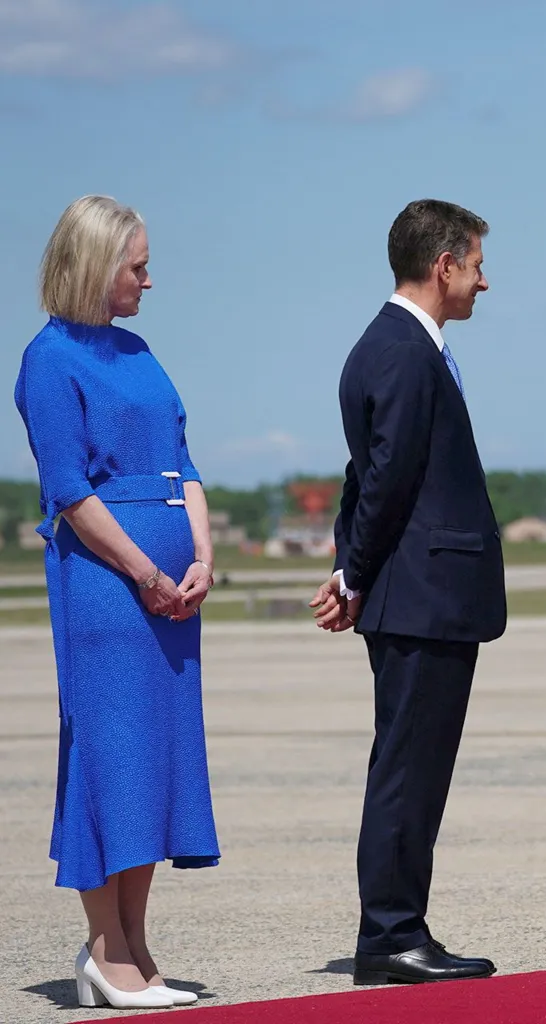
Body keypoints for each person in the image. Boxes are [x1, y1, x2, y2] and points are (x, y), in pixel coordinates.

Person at [15, 196, 218, 1010]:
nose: (148, 279)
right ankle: (106, 947)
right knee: (113, 754)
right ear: (96, 265)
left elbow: (183, 463)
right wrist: (144, 573)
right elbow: (69, 491)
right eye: (137, 266)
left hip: (171, 593)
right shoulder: (49, 359)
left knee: (156, 760)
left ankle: (133, 942)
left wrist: (202, 558)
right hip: (106, 586)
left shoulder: (139, 351)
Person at [309, 199, 504, 985]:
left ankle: (399, 927)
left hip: (419, 590)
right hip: (423, 594)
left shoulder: (396, 345)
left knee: (414, 767)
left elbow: (364, 474)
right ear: (444, 265)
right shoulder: (402, 351)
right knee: (407, 769)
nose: (484, 282)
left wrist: (347, 567)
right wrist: (356, 572)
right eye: (478, 266)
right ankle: (390, 934)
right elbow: (386, 477)